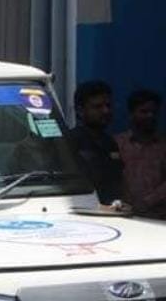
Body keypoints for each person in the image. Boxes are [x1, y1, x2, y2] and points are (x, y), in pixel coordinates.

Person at [70, 80, 124, 205]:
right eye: (98, 107)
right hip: (83, 208)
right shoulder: (70, 142)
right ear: (80, 110)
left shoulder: (110, 143)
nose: (106, 111)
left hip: (111, 209)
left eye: (108, 105)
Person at [115, 89, 166, 218]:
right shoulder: (117, 144)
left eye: (154, 112)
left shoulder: (163, 145)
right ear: (131, 114)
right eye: (144, 111)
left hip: (159, 217)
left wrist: (147, 201)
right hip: (123, 216)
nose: (150, 116)